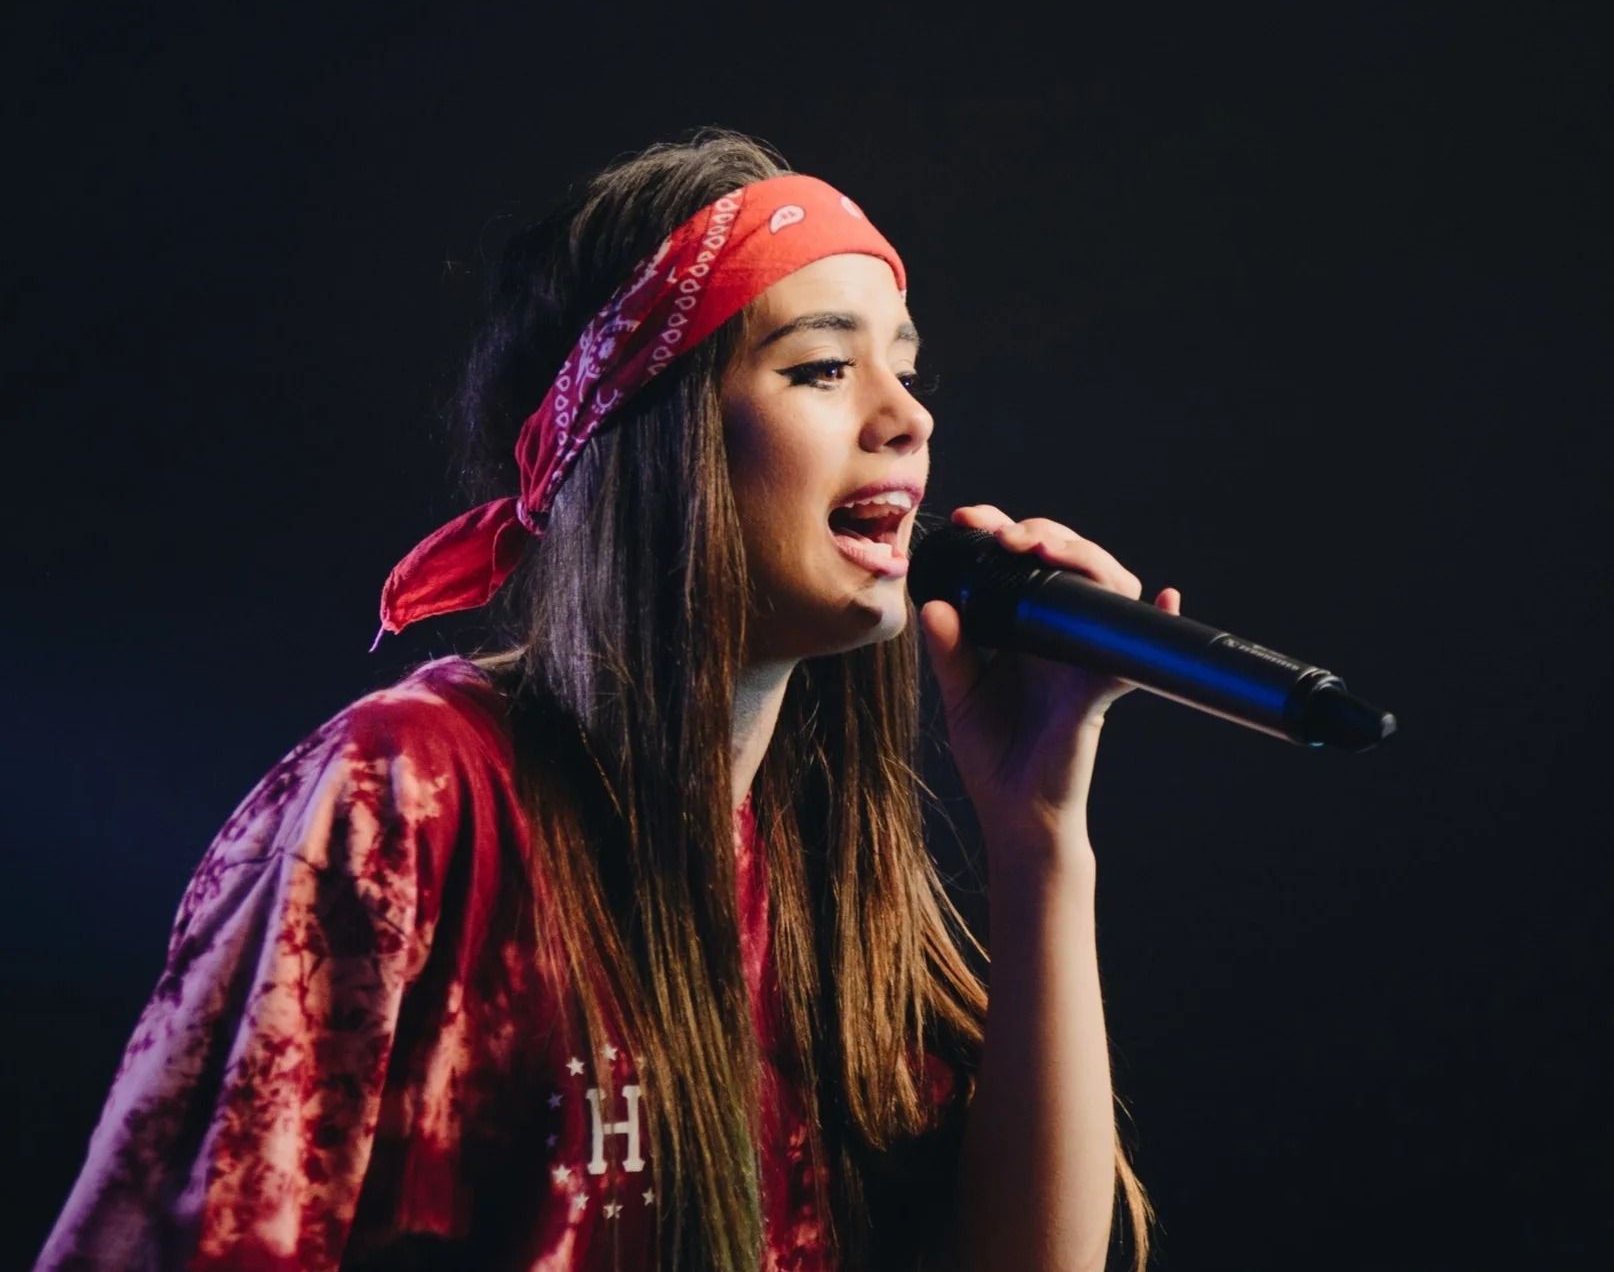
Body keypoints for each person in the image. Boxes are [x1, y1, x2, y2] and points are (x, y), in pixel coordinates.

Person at [36, 130, 1179, 1272]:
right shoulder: (411, 796)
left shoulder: (822, 860)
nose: (908, 419)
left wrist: (1039, 832)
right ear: (652, 431)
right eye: (823, 369)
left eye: (906, 370)